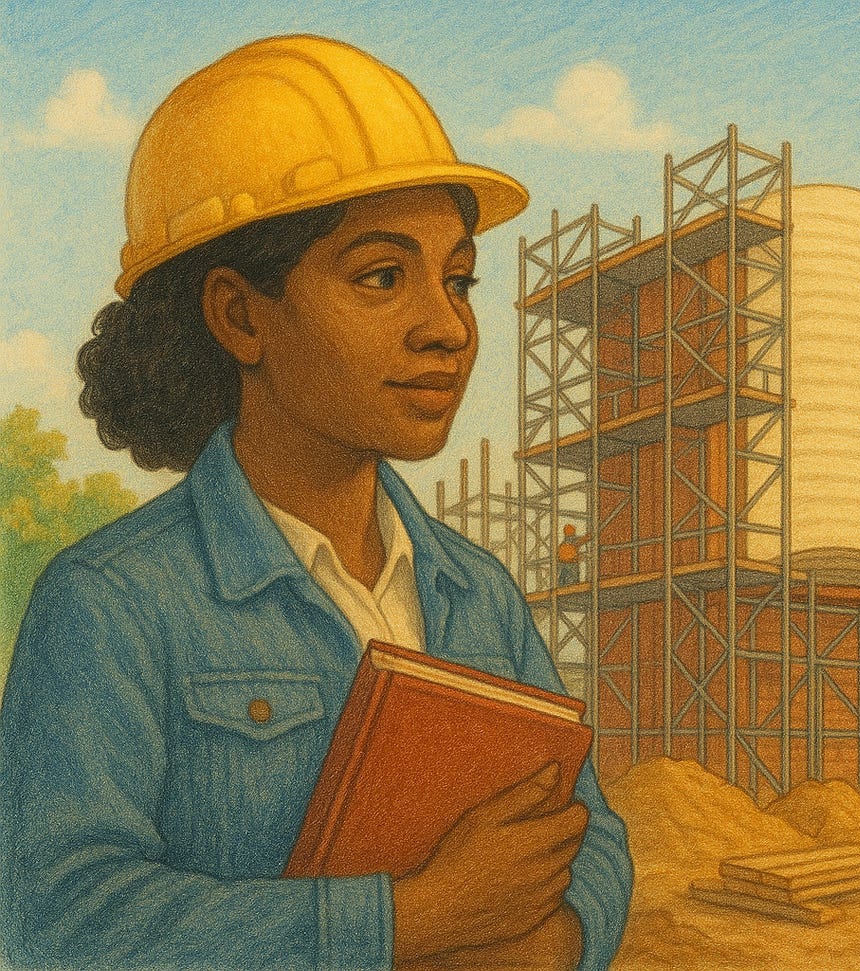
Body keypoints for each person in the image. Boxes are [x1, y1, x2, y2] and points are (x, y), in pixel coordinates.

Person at [0, 36, 631, 971]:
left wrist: (557, 942)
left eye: (457, 278)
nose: (448, 326)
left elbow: (596, 835)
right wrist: (408, 920)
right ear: (239, 316)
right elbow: (56, 918)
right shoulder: (110, 602)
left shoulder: (478, 593)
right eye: (383, 276)